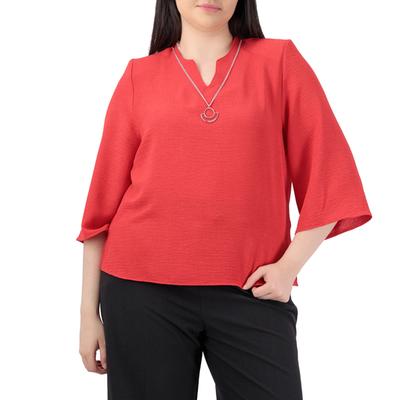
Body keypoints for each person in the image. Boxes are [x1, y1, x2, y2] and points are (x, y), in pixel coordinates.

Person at [77, 1, 372, 399]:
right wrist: (88, 314)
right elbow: (101, 209)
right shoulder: (138, 77)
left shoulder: (279, 62)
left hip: (254, 290)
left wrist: (288, 268)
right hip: (141, 291)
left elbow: (330, 173)